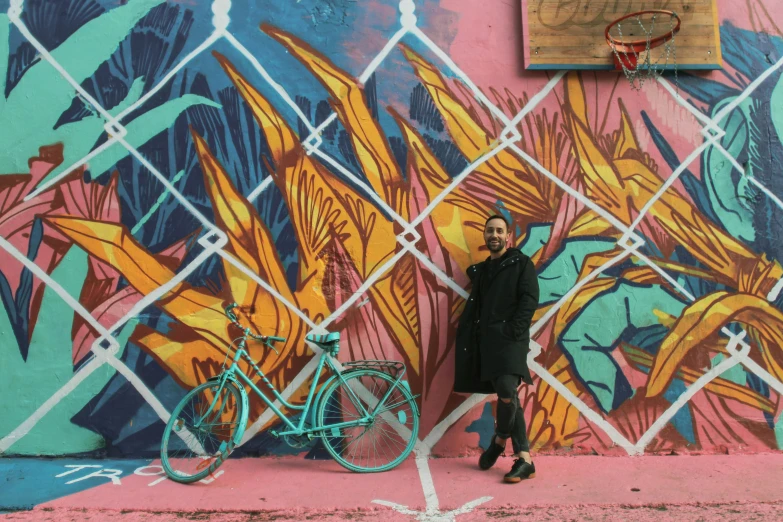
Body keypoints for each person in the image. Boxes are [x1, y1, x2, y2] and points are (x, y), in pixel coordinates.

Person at [454, 214, 540, 483]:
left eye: (499, 231)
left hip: (510, 341)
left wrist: (513, 331)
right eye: (490, 230)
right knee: (508, 394)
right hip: (487, 343)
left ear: (507, 236)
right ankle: (515, 453)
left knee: (505, 390)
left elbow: (529, 299)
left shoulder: (521, 264)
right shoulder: (482, 271)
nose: (494, 235)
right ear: (485, 235)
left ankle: (509, 447)